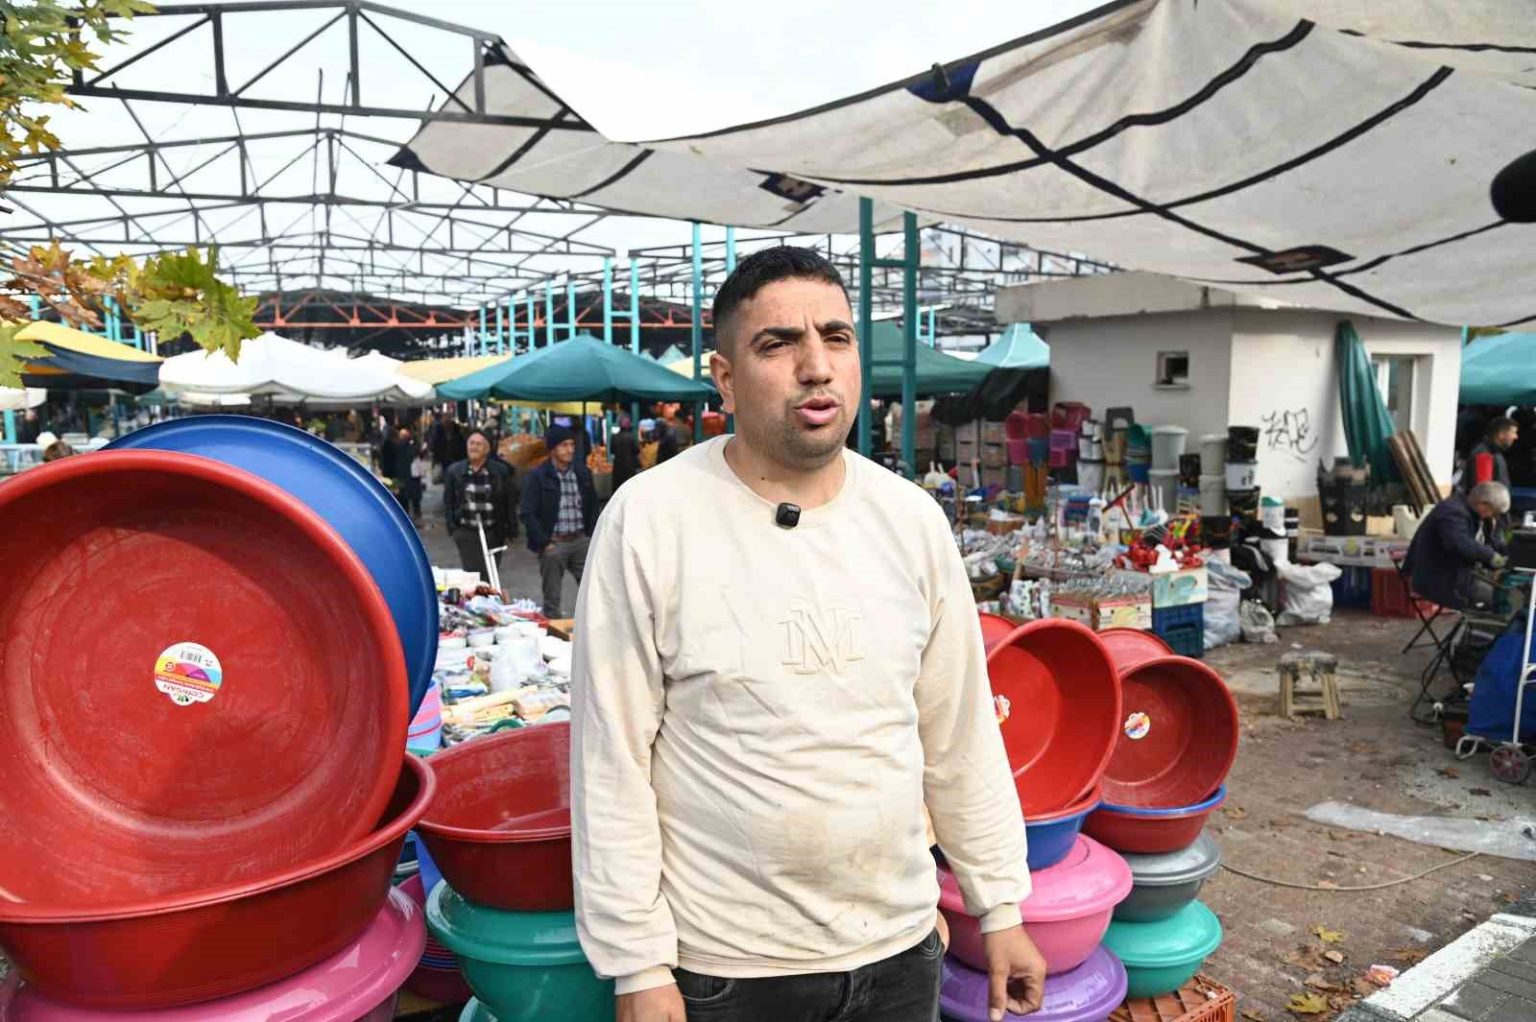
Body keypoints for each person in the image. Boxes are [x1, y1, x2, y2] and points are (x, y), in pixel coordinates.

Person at [571, 247, 1042, 1022]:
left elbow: (958, 733)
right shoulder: (652, 520)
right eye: (778, 343)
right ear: (725, 378)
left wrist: (999, 908)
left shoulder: (910, 521)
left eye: (836, 337)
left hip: (898, 952)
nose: (816, 366)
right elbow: (609, 756)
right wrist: (636, 965)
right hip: (728, 969)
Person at [520, 425, 598, 618]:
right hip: (554, 543)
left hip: (581, 540)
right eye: (564, 445)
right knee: (552, 598)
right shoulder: (538, 477)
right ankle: (553, 629)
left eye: (572, 445)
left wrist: (591, 536)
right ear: (552, 449)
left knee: (594, 591)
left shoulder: (582, 472)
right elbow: (528, 512)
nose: (570, 449)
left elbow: (593, 504)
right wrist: (544, 543)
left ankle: (592, 627)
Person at [1406, 481, 1510, 609]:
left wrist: (1505, 557)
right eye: (1491, 511)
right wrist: (1492, 557)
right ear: (1482, 503)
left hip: (1453, 576)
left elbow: (1489, 544)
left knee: (1507, 594)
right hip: (1438, 580)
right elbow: (1459, 544)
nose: (1491, 516)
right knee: (1506, 598)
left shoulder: (1469, 512)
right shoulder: (1452, 512)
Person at [443, 429, 519, 586]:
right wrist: (452, 527)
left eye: (479, 444)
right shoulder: (454, 471)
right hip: (466, 531)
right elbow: (449, 501)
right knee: (473, 576)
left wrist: (511, 528)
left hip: (493, 532)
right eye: (471, 443)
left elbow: (509, 501)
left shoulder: (500, 471)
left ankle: (489, 600)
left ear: (487, 449)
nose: (474, 447)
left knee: (490, 575)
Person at [1462, 416, 1518, 491]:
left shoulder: (1494, 452)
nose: (1516, 437)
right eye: (1513, 432)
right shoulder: (1484, 454)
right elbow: (1483, 490)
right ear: (1501, 434)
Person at [609, 415, 640, 490]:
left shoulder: (614, 437)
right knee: (629, 487)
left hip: (618, 466)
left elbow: (612, 450)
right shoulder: (631, 437)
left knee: (617, 487)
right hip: (629, 467)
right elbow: (637, 450)